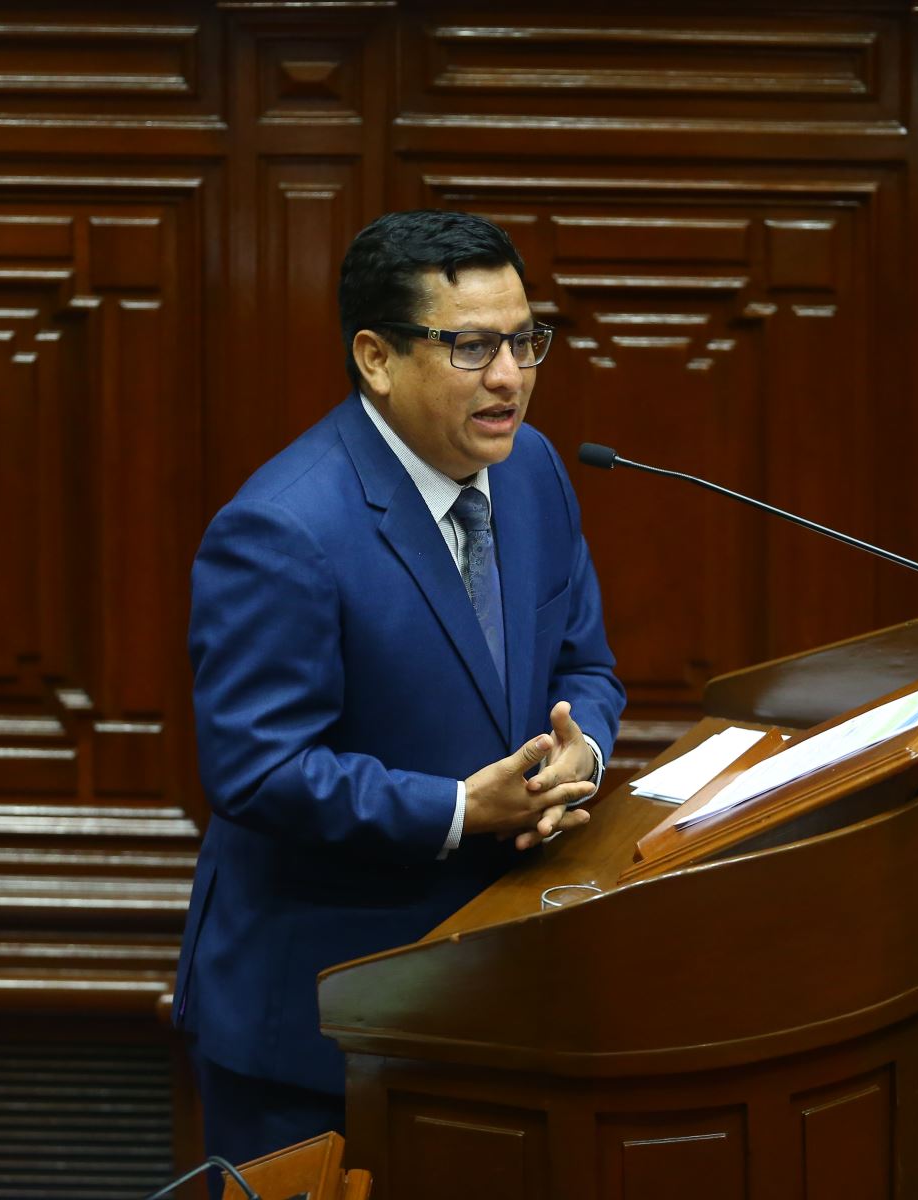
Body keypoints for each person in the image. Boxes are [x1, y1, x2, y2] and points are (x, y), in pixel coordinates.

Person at [174, 209, 625, 1172]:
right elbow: (257, 770)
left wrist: (579, 753)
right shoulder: (283, 528)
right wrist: (462, 809)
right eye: (471, 347)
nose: (510, 377)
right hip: (321, 1023)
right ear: (376, 358)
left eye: (524, 339)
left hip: (496, 999)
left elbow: (584, 666)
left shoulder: (535, 470)